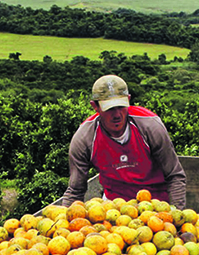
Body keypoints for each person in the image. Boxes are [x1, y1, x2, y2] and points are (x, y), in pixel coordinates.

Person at [60, 74, 186, 209]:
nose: (117, 115)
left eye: (121, 106)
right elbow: (75, 190)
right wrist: (63, 222)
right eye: (110, 109)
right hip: (114, 207)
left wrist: (176, 215)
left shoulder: (149, 126)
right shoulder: (85, 138)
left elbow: (175, 176)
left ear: (129, 100)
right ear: (95, 106)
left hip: (155, 204)